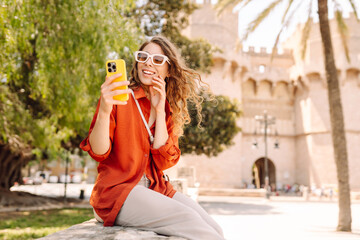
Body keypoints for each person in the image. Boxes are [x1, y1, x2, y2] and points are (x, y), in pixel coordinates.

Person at [80, 35, 224, 240]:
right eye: (143, 57)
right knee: (194, 225)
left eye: (158, 60)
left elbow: (163, 162)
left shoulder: (166, 109)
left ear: (169, 70)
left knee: (215, 230)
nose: (148, 62)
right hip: (118, 192)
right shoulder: (119, 97)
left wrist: (160, 110)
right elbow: (99, 152)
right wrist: (104, 109)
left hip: (157, 189)